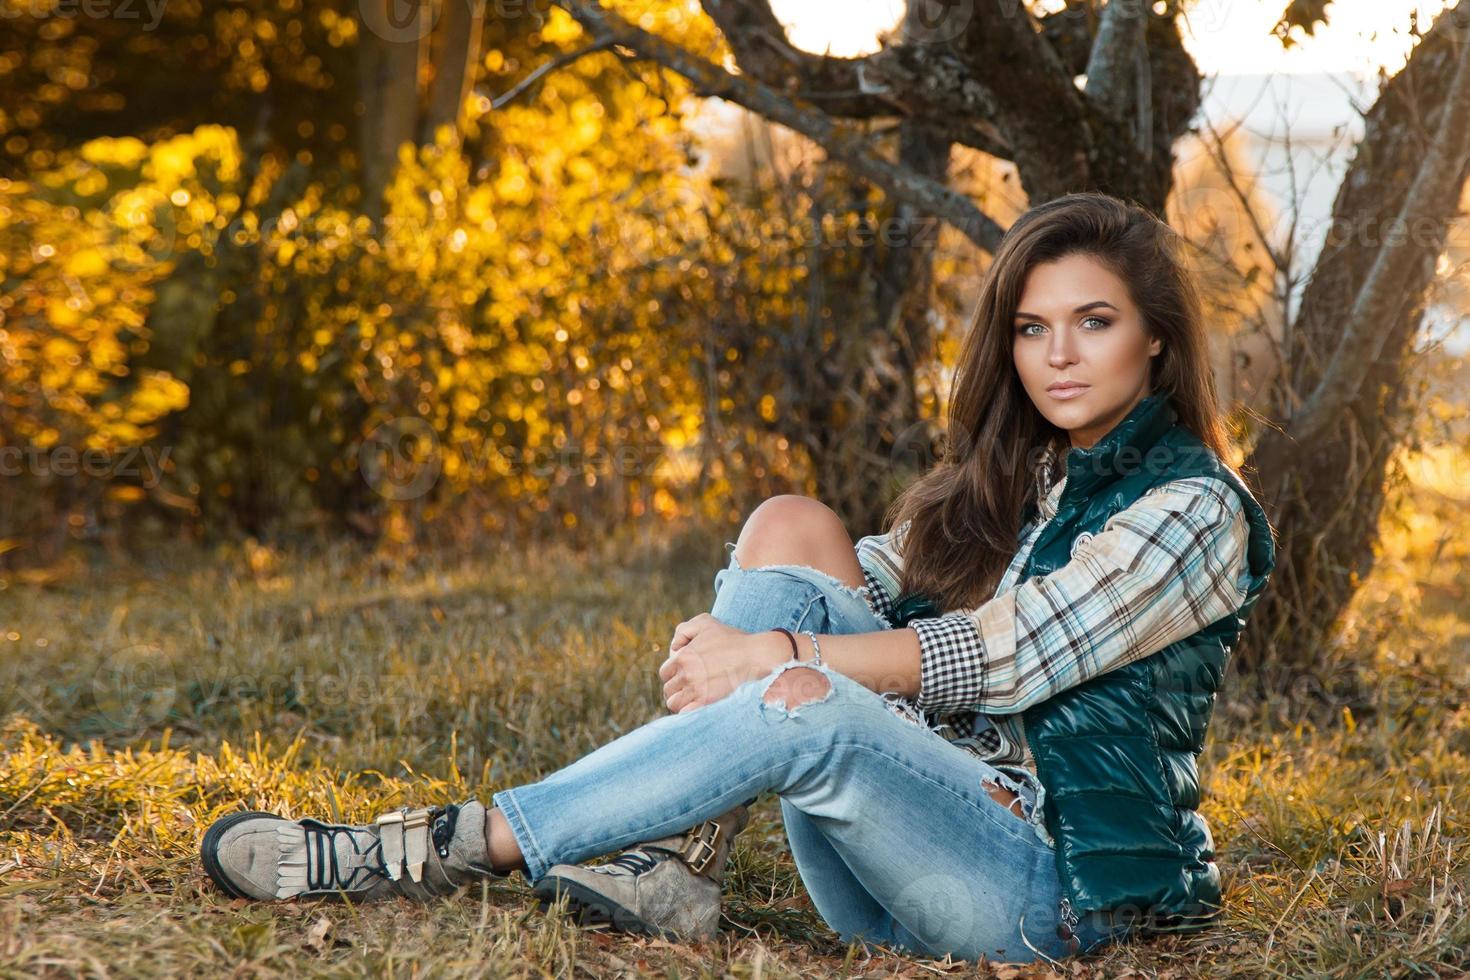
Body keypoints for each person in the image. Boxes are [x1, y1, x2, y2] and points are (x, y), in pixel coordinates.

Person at [200, 192, 1276, 964]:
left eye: (1095, 322)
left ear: (1157, 341)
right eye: (1033, 328)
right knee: (790, 524)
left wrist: (779, 657)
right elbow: (872, 578)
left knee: (799, 692)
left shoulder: (1192, 510)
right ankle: (670, 860)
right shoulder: (1024, 475)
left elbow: (1006, 654)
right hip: (908, 852)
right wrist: (755, 627)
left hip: (1049, 897)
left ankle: (441, 841)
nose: (1058, 356)